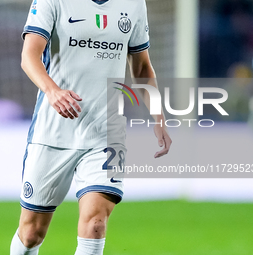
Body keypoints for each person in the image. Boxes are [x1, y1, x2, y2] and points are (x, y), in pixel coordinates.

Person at [10, 0, 172, 254]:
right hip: (53, 132)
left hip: (107, 135)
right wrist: (52, 92)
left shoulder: (134, 4)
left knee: (96, 224)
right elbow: (29, 55)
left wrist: (158, 116)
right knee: (31, 233)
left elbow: (141, 66)